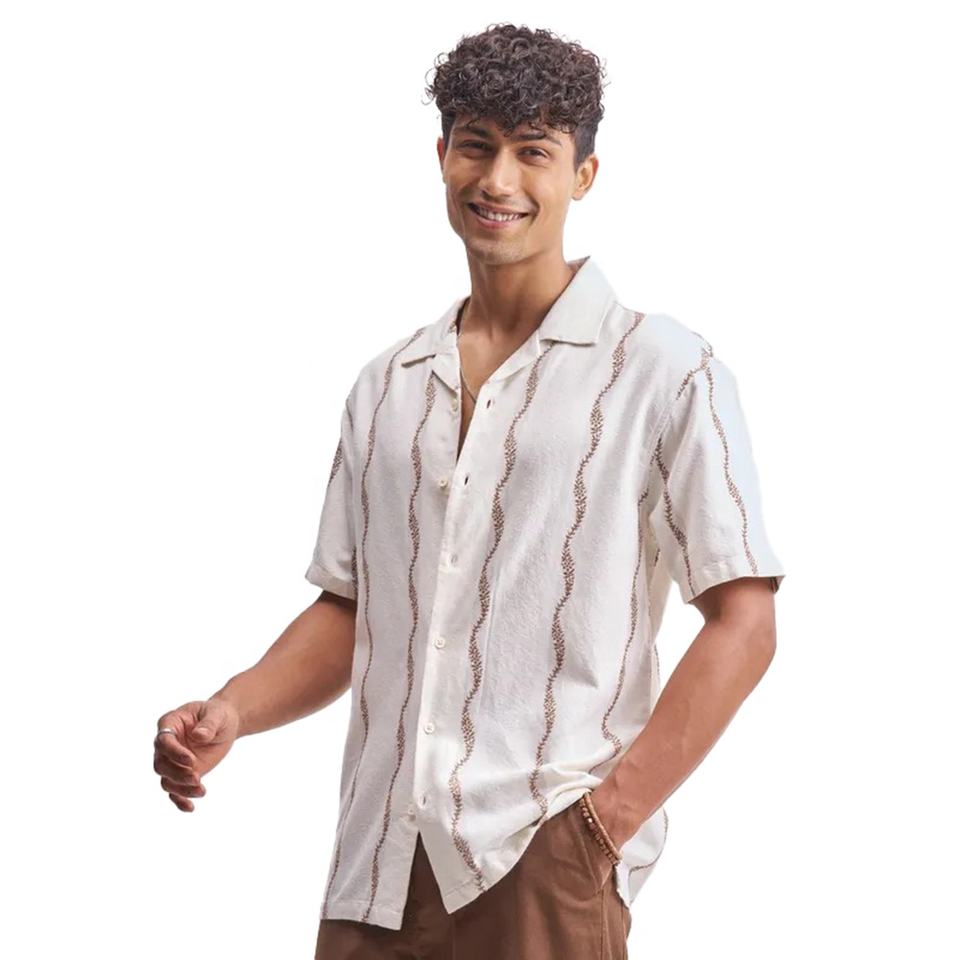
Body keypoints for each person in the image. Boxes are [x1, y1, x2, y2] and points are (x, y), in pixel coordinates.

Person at [153, 22, 786, 959]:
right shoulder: (388, 384)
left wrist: (602, 826)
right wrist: (235, 708)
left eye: (533, 152)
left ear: (584, 175)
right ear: (441, 156)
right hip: (374, 864)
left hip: (541, 859)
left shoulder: (663, 369)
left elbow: (745, 620)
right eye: (476, 146)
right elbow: (355, 607)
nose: (498, 180)